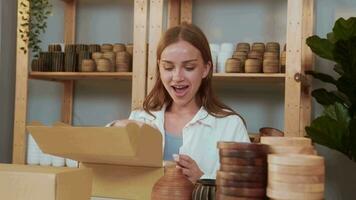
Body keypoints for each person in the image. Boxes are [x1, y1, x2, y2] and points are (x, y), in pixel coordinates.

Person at [110, 23, 250, 183]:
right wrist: (116, 129)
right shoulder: (141, 118)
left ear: (205, 69)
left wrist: (203, 181)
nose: (177, 77)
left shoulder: (230, 126)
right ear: (159, 68)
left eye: (189, 67)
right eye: (168, 67)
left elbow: (244, 191)